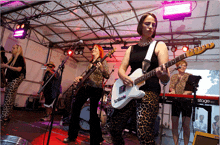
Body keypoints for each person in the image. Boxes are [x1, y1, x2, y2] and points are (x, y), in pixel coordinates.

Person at [109, 13, 170, 145]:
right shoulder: (131, 48)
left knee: (144, 133)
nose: (150, 27)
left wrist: (162, 75)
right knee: (114, 128)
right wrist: (123, 77)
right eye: (147, 24)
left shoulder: (160, 46)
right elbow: (121, 69)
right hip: (128, 91)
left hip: (149, 92)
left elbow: (165, 78)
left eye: (153, 25)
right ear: (140, 25)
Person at [63, 44, 110, 145]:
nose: (93, 49)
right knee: (75, 108)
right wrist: (80, 78)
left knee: (93, 113)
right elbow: (86, 75)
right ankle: (71, 136)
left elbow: (107, 75)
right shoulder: (90, 62)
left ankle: (96, 140)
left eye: (95, 48)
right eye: (92, 48)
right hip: (86, 87)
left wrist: (101, 68)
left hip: (96, 89)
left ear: (99, 51)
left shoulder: (103, 61)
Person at [169, 60, 193, 145]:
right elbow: (171, 87)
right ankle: (176, 143)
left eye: (185, 65)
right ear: (177, 66)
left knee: (186, 125)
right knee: (174, 124)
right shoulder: (174, 76)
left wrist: (186, 92)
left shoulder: (189, 76)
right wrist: (173, 90)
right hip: (176, 101)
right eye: (181, 65)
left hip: (186, 102)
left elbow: (190, 90)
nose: (183, 67)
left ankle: (186, 144)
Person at [0, 44, 26, 122]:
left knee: (9, 97)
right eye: (12, 47)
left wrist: (6, 66)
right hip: (11, 79)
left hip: (16, 78)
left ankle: (5, 116)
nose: (12, 49)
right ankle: (7, 115)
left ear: (18, 50)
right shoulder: (12, 59)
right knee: (9, 97)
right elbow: (7, 66)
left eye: (14, 48)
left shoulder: (20, 58)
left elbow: (19, 69)